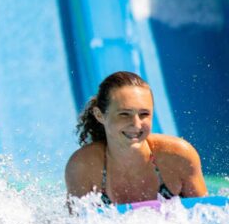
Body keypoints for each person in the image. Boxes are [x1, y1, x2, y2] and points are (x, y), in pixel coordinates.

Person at [64, 71, 207, 206]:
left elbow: (206, 217)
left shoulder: (178, 156)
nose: (136, 124)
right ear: (100, 115)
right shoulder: (83, 167)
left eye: (144, 114)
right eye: (124, 114)